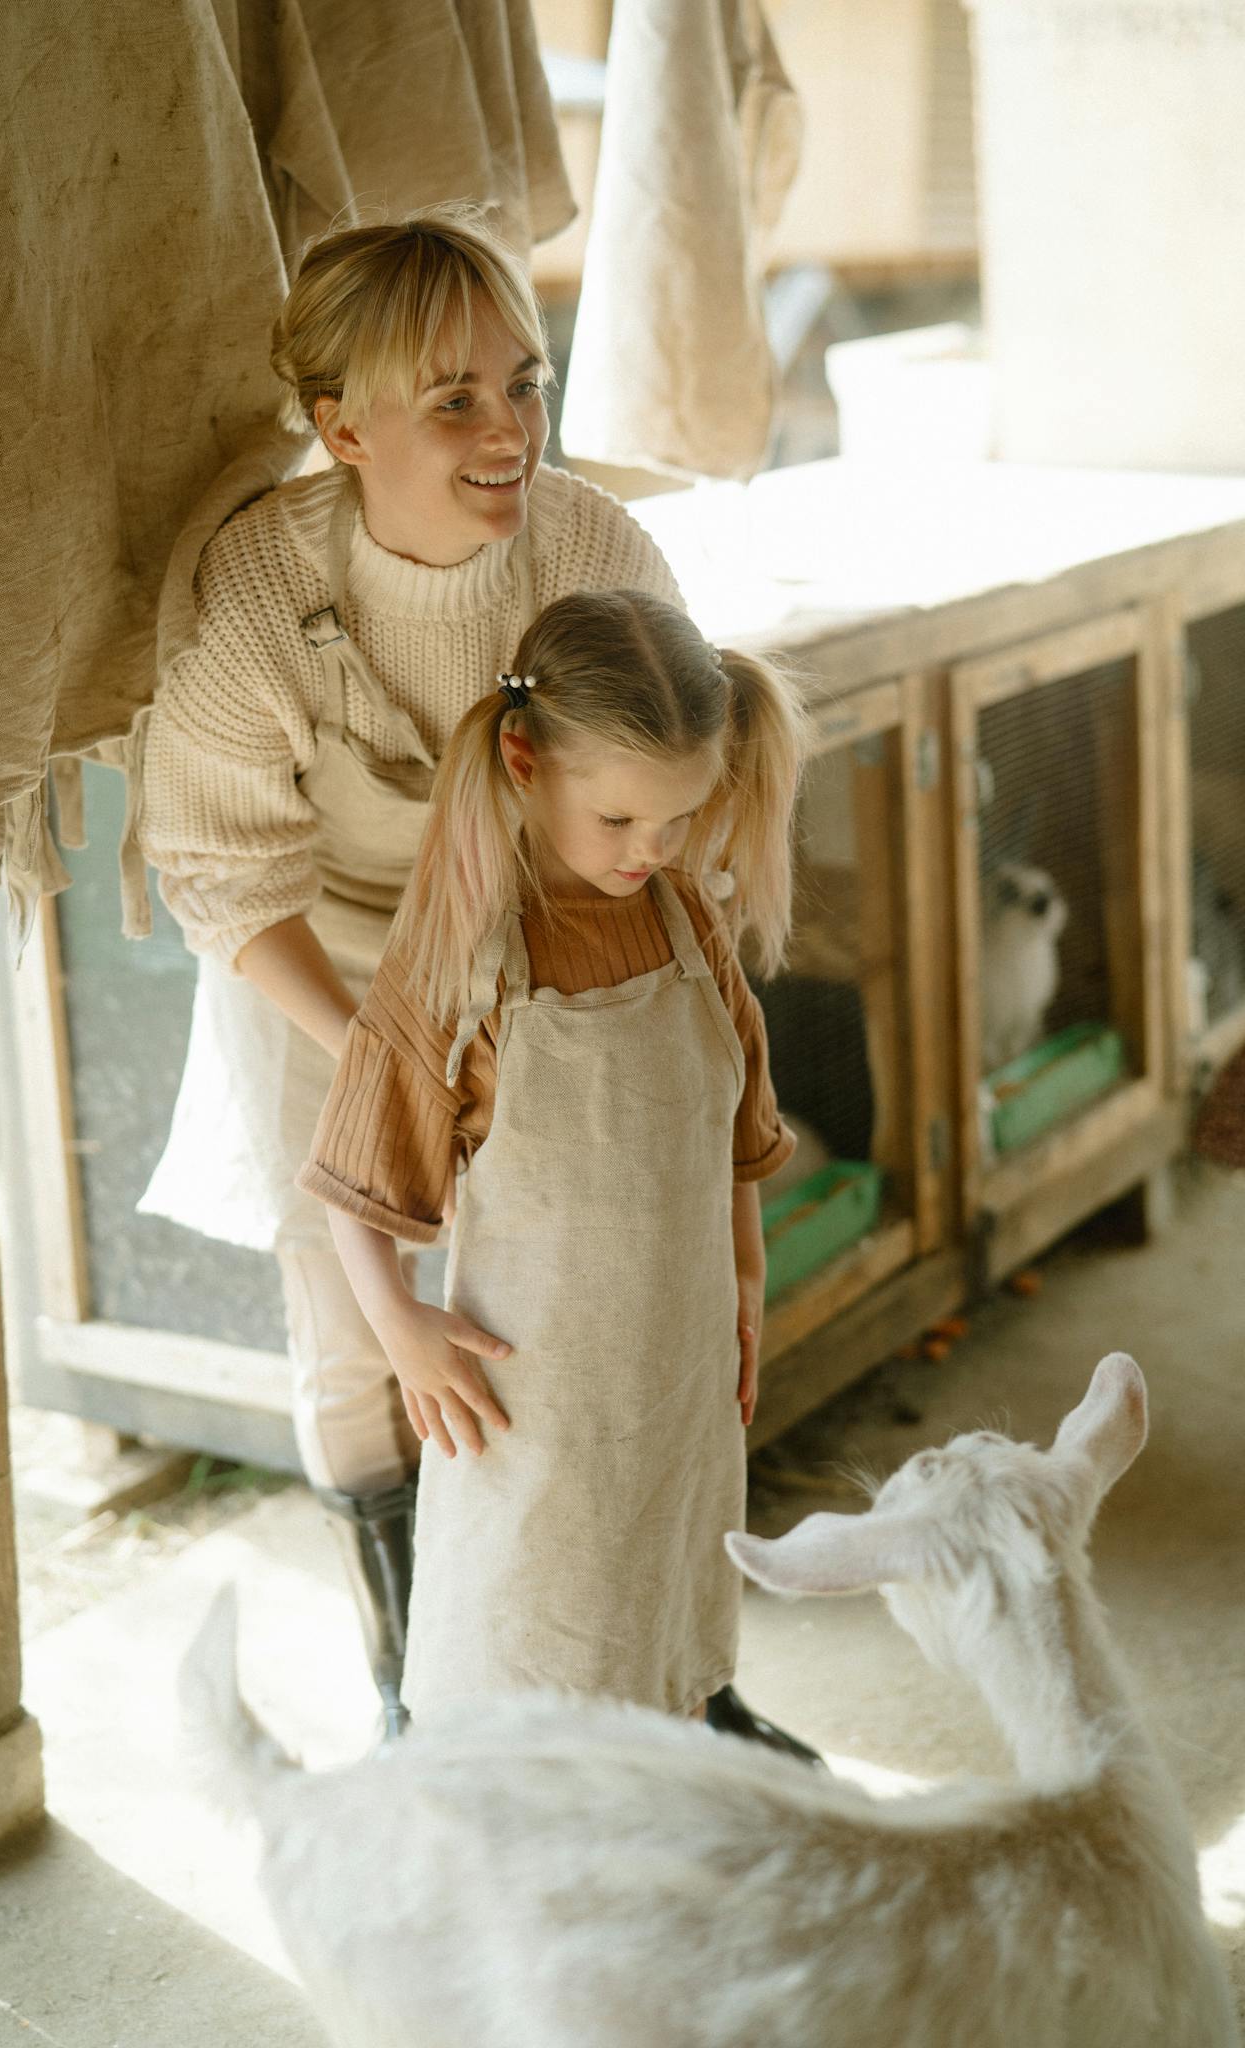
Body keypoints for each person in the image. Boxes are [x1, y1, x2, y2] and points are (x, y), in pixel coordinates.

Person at [138, 206, 813, 1757]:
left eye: (525, 383)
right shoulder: (256, 595)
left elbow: (653, 776)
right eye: (455, 401)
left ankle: (673, 1682)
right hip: (324, 959)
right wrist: (399, 1040)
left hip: (545, 943)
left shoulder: (590, 550)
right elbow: (223, 870)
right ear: (341, 427)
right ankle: (416, 1697)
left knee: (589, 1314)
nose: (508, 429)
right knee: (361, 1306)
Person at [298, 589, 821, 1745]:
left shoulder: (687, 924)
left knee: (665, 1645)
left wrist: (744, 1272)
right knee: (529, 1676)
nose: (654, 851)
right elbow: (351, 1175)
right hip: (532, 1412)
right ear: (527, 761)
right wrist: (397, 1323)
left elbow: (728, 1123)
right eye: (622, 820)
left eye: (678, 821)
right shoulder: (467, 962)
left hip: (676, 1383)